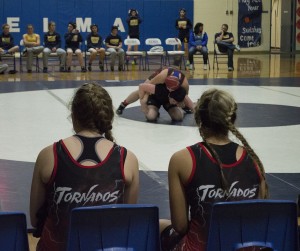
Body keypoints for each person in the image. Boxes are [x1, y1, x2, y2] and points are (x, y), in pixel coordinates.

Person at [30, 82, 139, 251]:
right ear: (107, 117)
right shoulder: (127, 159)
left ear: (73, 116)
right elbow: (125, 221)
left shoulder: (49, 155)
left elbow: (35, 220)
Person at [160, 88, 268, 251]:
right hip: (242, 247)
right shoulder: (253, 159)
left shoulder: (182, 159)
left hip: (202, 246)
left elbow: (180, 226)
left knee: (160, 225)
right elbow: (259, 217)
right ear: (232, 119)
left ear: (199, 119)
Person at [116, 66, 192, 115]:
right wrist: (144, 102)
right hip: (160, 75)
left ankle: (180, 108)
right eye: (168, 88)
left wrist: (182, 104)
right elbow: (145, 88)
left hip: (172, 77)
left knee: (178, 99)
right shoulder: (162, 77)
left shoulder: (184, 84)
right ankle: (123, 104)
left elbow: (184, 95)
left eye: (171, 89)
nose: (169, 89)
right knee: (143, 89)